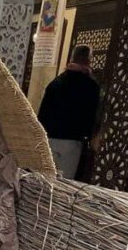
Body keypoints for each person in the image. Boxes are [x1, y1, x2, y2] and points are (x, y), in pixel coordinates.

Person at [37, 45, 100, 180]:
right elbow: (90, 118)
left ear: (72, 58)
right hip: (72, 142)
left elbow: (42, 114)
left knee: (46, 179)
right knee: (64, 182)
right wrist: (89, 138)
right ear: (88, 60)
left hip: (49, 138)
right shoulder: (91, 86)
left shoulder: (55, 83)